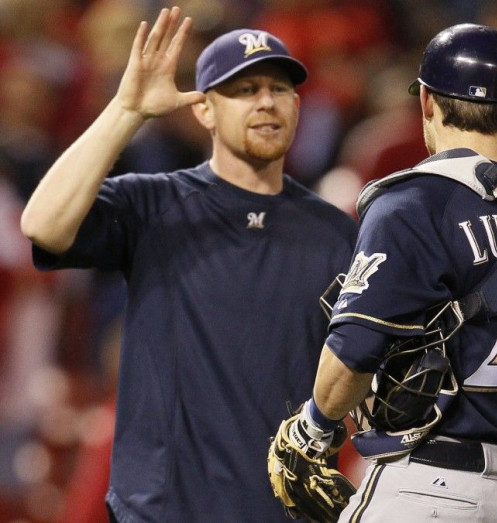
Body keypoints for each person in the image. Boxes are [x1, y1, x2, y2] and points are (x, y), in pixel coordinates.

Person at [20, 7, 357, 522]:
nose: (266, 101)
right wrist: (126, 110)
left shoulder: (338, 235)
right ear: (203, 110)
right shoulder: (153, 205)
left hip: (282, 513)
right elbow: (43, 224)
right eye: (243, 90)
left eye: (279, 88)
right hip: (163, 510)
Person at [269, 23, 497, 522]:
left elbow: (350, 360)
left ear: (426, 101)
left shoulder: (413, 202)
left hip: (429, 487)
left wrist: (311, 428)